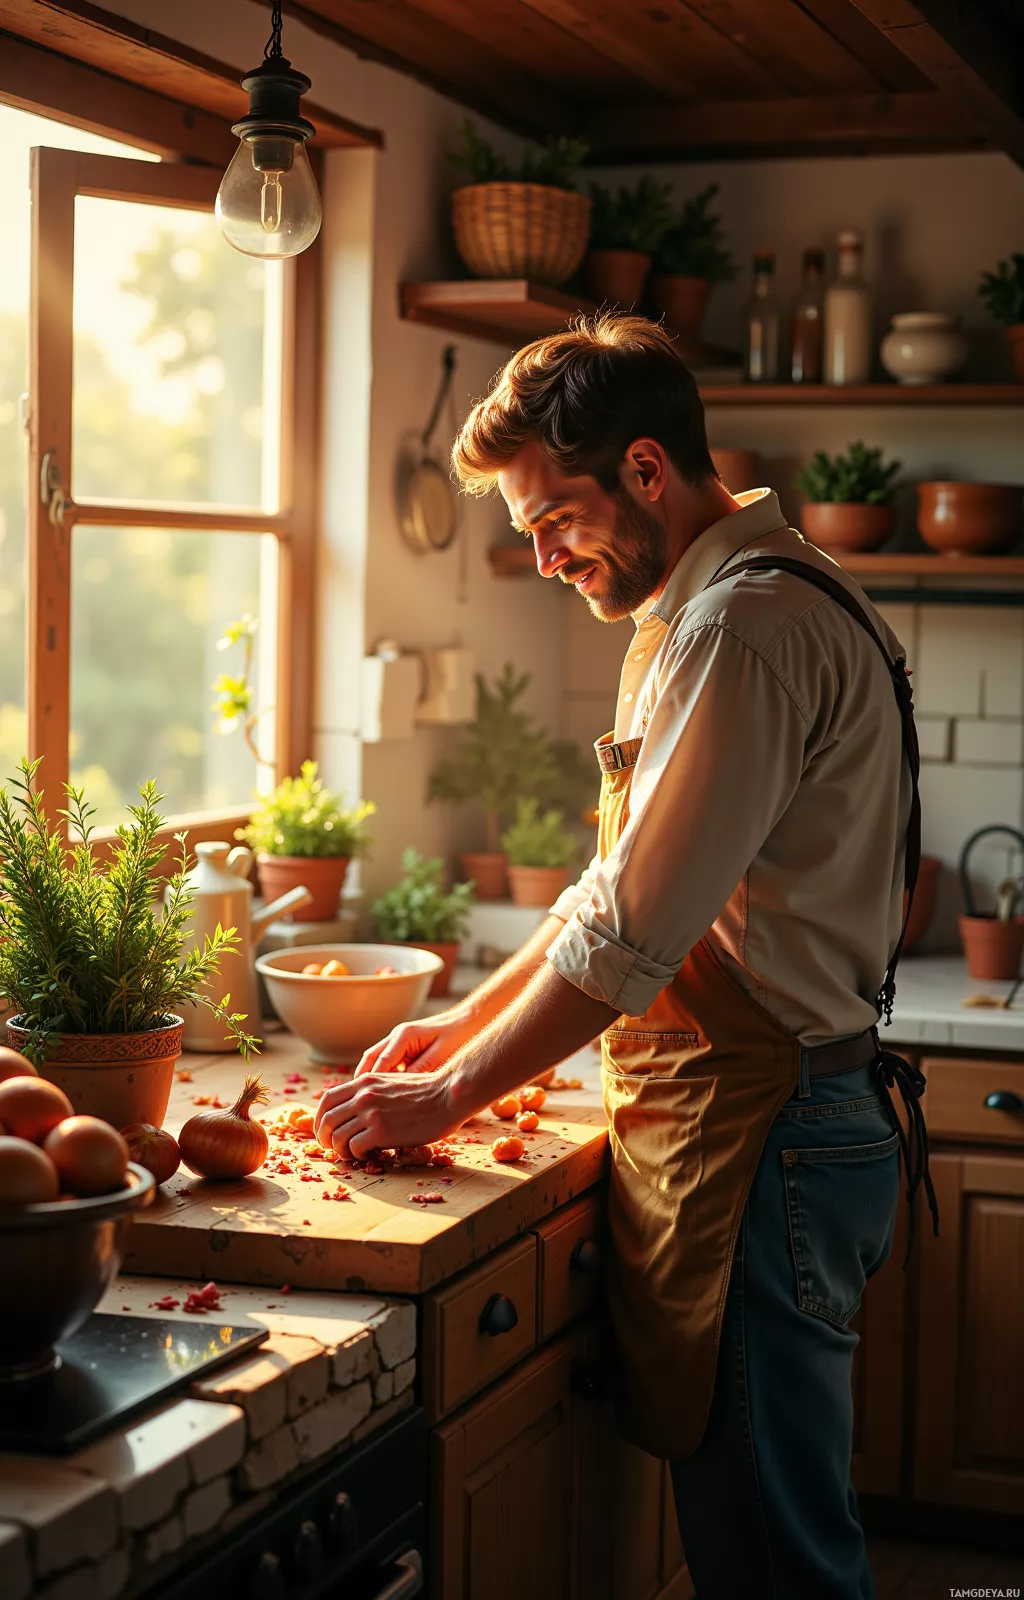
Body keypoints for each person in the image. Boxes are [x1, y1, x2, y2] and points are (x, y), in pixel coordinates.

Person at [314, 314, 935, 1600]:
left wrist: (443, 1094)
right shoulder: (727, 599)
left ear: (647, 471)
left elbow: (626, 942)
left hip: (772, 1139)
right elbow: (614, 893)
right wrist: (460, 1026)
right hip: (780, 1122)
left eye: (554, 520)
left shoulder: (737, 630)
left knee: (779, 1566)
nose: (540, 558)